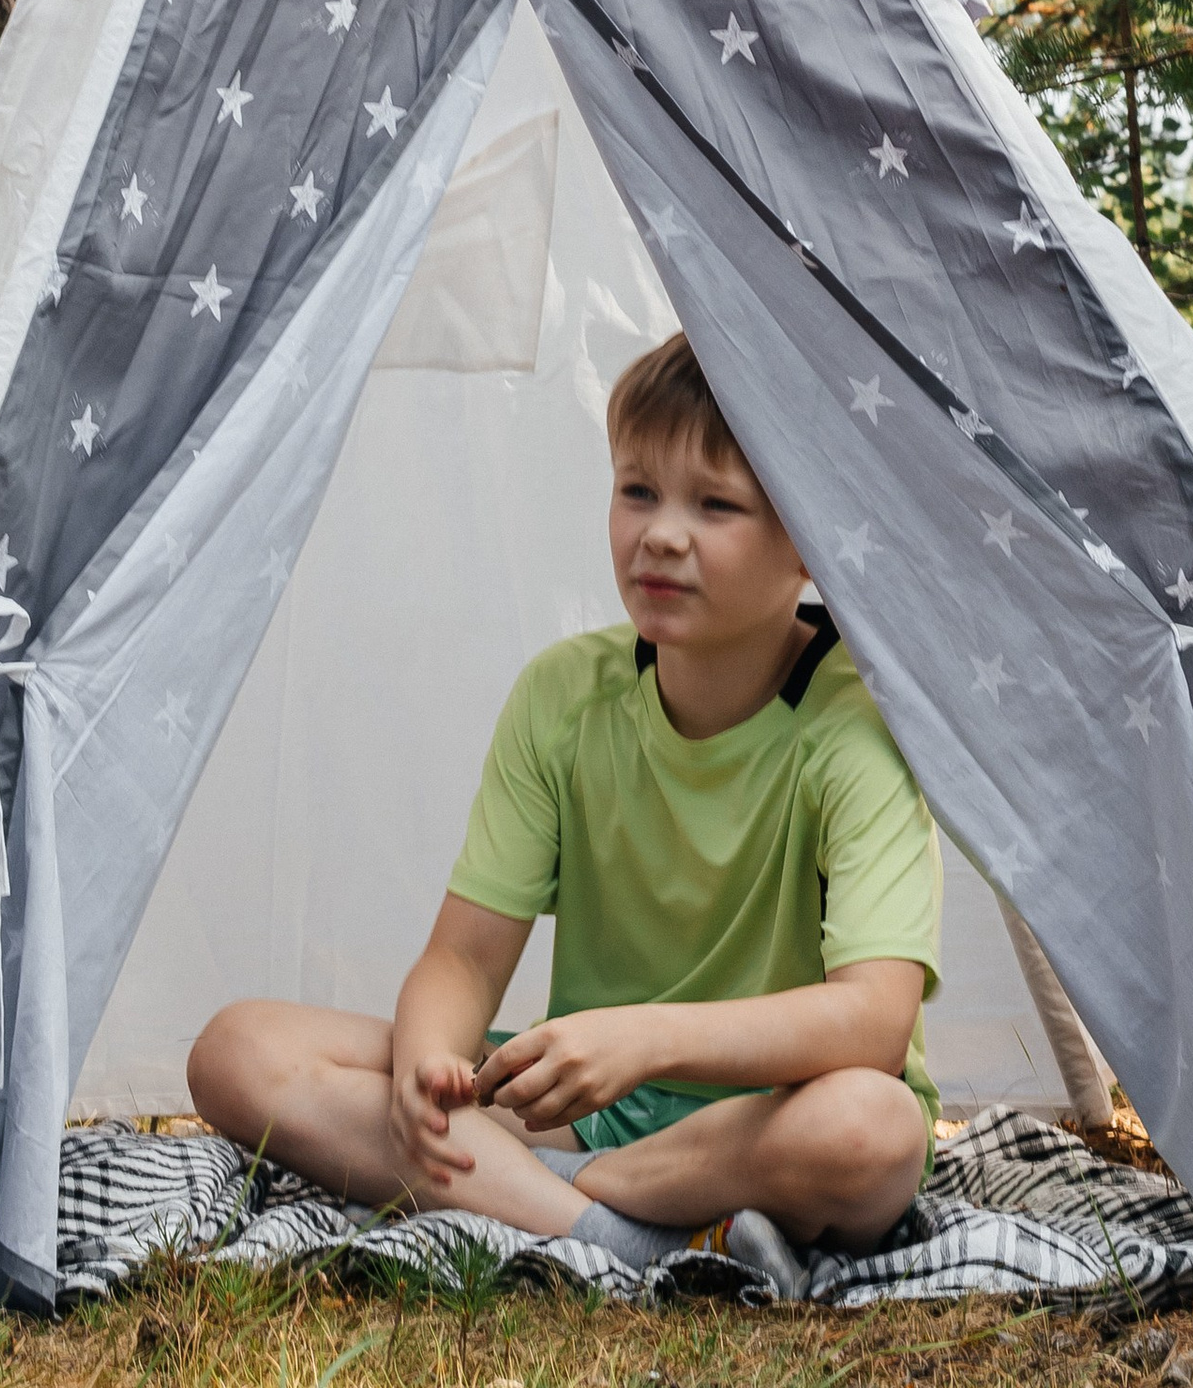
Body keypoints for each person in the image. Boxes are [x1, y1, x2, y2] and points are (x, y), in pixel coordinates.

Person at [189, 332, 942, 1289]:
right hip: (581, 1099)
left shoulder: (857, 729)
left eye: (715, 505)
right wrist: (431, 1068)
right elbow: (464, 957)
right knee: (239, 1050)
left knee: (873, 1132)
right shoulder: (563, 696)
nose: (661, 535)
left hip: (771, 1113)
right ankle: (625, 1236)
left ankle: (549, 1198)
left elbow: (873, 1022)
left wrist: (645, 1038)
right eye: (638, 492)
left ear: (805, 546)